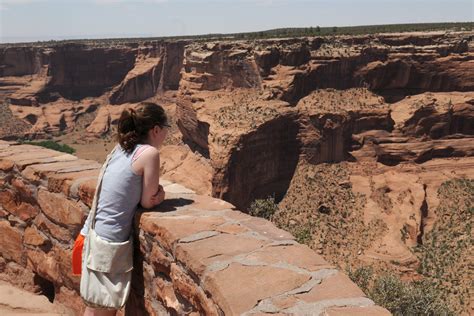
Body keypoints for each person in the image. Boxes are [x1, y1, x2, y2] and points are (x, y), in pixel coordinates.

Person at [71, 102, 170, 316]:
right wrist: (161, 195)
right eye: (165, 129)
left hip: (94, 232)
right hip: (111, 241)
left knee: (96, 305)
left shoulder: (121, 148)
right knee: (104, 307)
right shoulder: (149, 153)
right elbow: (148, 201)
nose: (166, 135)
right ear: (155, 130)